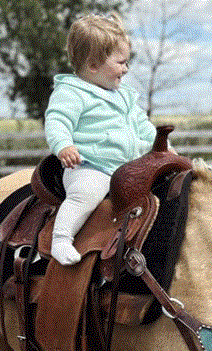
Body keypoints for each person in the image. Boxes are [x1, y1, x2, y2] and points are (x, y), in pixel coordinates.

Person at [43, 13, 158, 266]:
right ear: (94, 65)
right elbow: (57, 121)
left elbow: (143, 126)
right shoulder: (72, 92)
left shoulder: (124, 96)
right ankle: (61, 238)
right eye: (120, 62)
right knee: (86, 193)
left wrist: (162, 146)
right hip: (92, 166)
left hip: (128, 167)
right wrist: (64, 145)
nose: (126, 69)